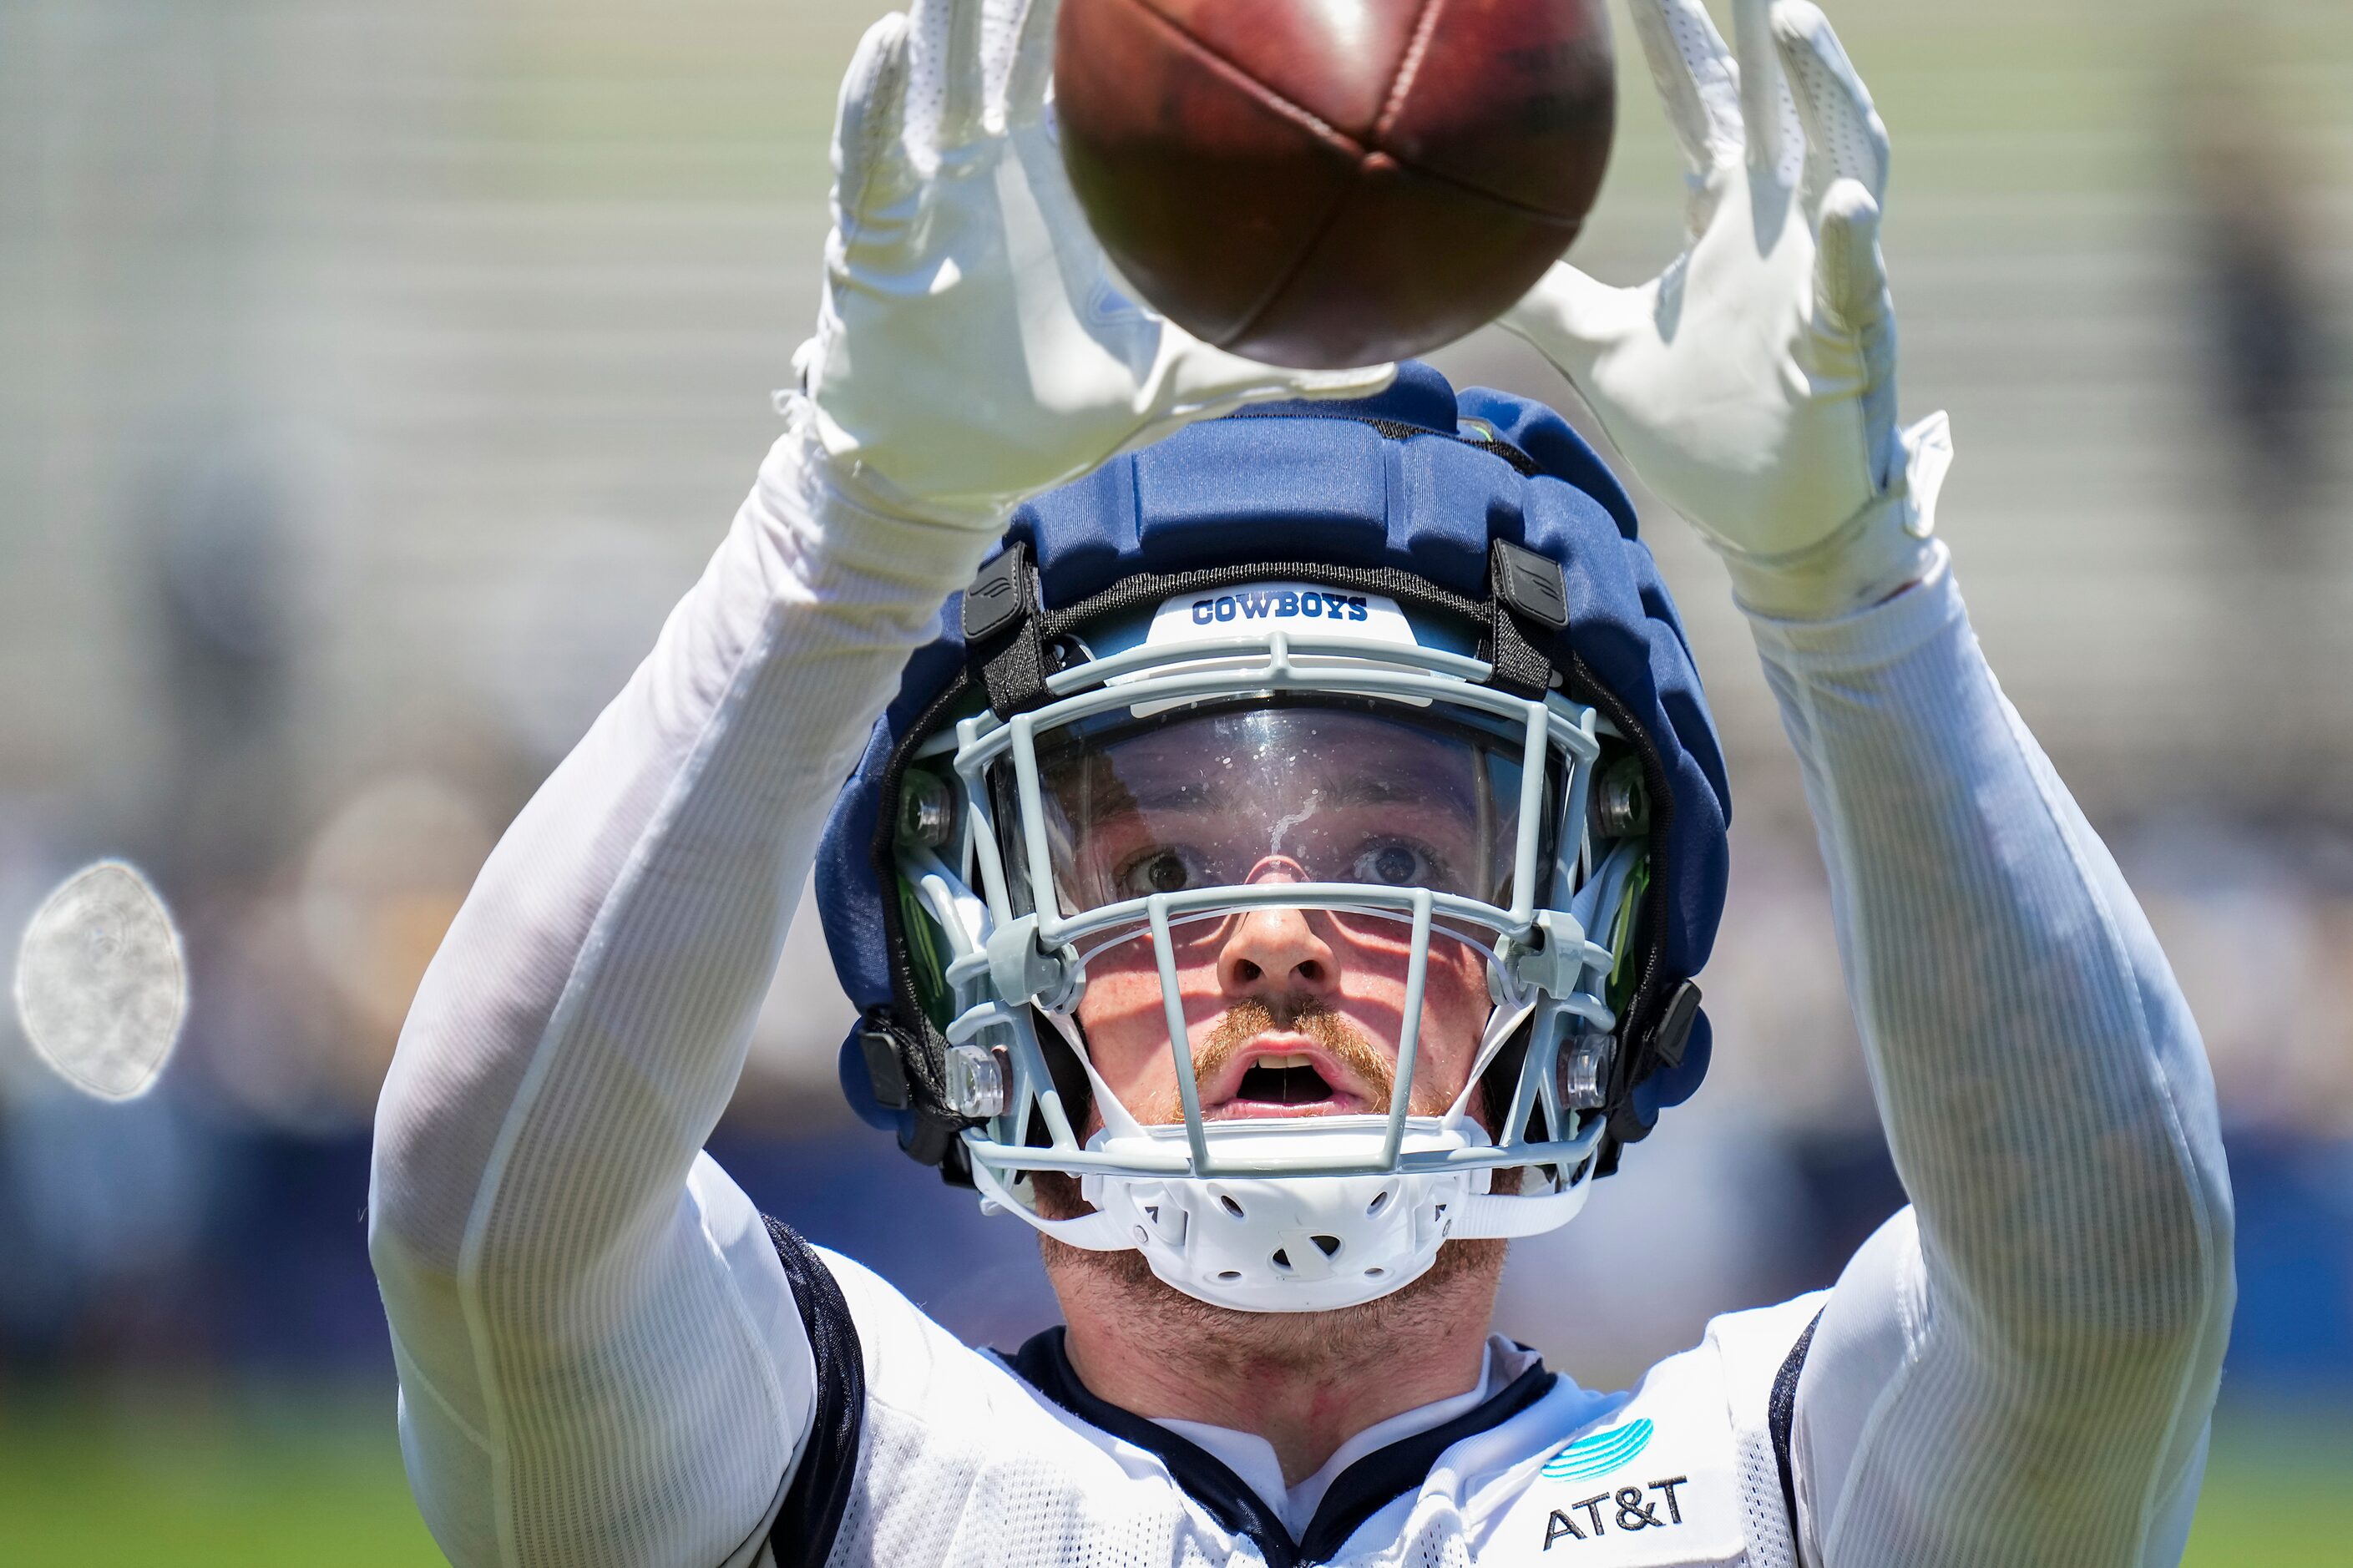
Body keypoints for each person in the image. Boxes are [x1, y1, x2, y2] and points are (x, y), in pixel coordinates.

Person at [367, 2, 2234, 1564]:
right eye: (1155, 856)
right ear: (963, 960)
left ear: (1591, 950)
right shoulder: (829, 1471)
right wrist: (843, 540)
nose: (1265, 930)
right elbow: (488, 1229)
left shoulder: (1776, 1493)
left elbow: (2108, 1291)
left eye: (1393, 845)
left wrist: (1855, 606)